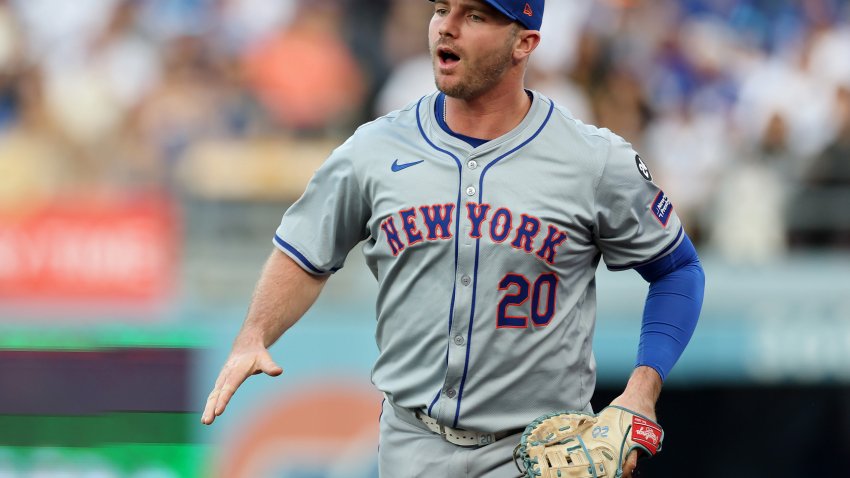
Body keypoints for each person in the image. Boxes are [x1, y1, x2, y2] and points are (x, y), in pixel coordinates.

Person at [202, 1, 705, 477]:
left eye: (475, 15)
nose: (447, 25)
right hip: (411, 444)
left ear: (523, 43)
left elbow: (677, 269)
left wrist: (643, 387)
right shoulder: (374, 149)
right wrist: (255, 334)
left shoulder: (593, 160)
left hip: (541, 450)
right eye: (442, 8)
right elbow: (305, 254)